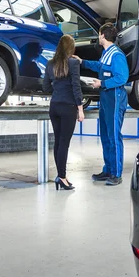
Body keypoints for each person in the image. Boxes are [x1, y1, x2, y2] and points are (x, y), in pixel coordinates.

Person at [74, 23, 129, 186]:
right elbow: (99, 66)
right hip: (106, 96)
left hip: (114, 96)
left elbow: (122, 78)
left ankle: (117, 174)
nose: (98, 37)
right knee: (105, 135)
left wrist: (102, 84)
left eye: (99, 34)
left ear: (103, 36)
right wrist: (82, 62)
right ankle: (108, 170)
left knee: (113, 136)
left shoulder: (117, 55)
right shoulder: (107, 53)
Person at [43, 35, 85, 191]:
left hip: (54, 107)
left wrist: (58, 88)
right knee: (64, 143)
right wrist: (80, 109)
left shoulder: (50, 64)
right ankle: (61, 177)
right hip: (68, 108)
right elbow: (76, 87)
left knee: (59, 143)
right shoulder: (73, 63)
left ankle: (61, 176)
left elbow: (46, 87)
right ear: (71, 48)